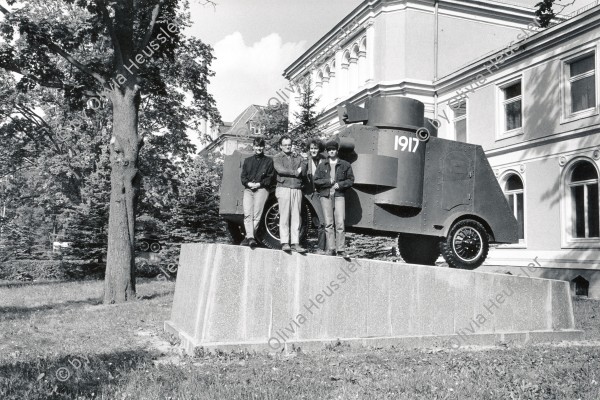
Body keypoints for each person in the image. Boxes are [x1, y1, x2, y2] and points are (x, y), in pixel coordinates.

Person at [314, 140, 354, 257]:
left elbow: (350, 180)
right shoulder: (322, 165)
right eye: (329, 150)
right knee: (328, 223)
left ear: (337, 151)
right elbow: (316, 180)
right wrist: (328, 182)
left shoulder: (345, 165)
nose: (331, 151)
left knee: (340, 222)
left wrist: (340, 185)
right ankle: (331, 248)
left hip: (339, 196)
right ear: (327, 151)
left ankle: (341, 249)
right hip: (325, 196)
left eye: (333, 149)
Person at [273, 136, 306, 253]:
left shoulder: (297, 157)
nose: (288, 147)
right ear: (281, 146)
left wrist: (300, 169)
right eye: (285, 145)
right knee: (284, 216)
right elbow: (280, 170)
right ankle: (285, 242)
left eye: (289, 145)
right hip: (283, 188)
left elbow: (304, 166)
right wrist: (295, 172)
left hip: (296, 188)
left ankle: (295, 243)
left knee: (297, 216)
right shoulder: (277, 157)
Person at [240, 137, 274, 248]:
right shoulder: (248, 161)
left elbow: (270, 178)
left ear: (263, 147)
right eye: (256, 146)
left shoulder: (268, 161)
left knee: (256, 215)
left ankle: (249, 237)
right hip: (249, 190)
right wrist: (249, 184)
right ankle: (250, 238)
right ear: (253, 146)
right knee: (247, 214)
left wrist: (259, 184)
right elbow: (243, 177)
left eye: (260, 146)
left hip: (262, 189)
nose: (258, 148)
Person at [302, 138, 327, 253]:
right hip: (310, 194)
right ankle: (319, 247)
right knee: (318, 221)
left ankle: (322, 247)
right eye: (311, 148)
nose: (313, 150)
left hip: (322, 194)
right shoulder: (306, 160)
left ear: (319, 149)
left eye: (315, 148)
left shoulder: (324, 160)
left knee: (323, 221)